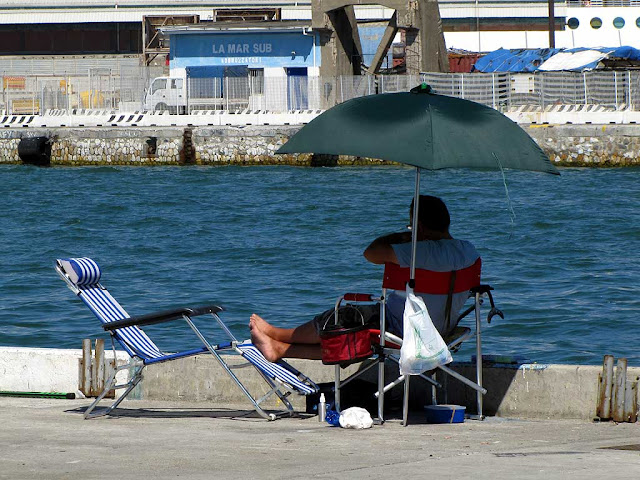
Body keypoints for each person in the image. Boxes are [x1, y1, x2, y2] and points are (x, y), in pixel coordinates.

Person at [249, 195, 479, 363]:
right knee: (355, 335)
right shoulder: (469, 252)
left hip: (402, 328)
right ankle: (280, 349)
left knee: (342, 317)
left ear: (418, 226)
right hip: (444, 331)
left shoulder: (418, 252)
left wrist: (405, 235)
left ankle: (277, 333)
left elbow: (372, 253)